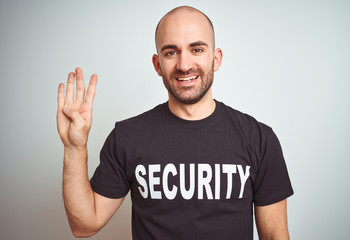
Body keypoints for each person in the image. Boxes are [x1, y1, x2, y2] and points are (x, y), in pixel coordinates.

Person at [57, 6, 293, 240]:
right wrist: (74, 148)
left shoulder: (259, 139)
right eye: (171, 52)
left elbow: (274, 235)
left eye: (197, 49)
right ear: (157, 64)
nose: (184, 65)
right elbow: (84, 225)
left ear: (216, 58)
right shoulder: (127, 137)